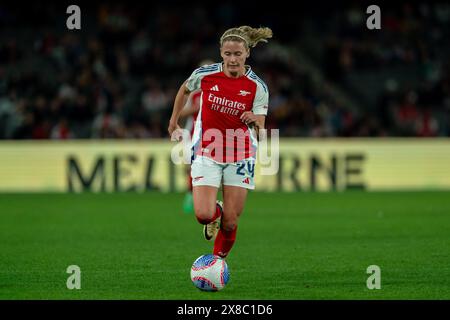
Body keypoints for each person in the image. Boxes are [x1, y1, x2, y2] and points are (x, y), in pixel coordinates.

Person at [168, 26, 272, 259]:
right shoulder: (205, 74)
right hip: (207, 150)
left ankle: (216, 262)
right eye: (227, 54)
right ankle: (217, 211)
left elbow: (261, 127)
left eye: (237, 54)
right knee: (204, 215)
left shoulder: (258, 87)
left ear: (247, 53)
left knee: (231, 221)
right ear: (221, 53)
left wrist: (255, 119)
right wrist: (173, 121)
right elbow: (184, 90)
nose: (232, 59)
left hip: (241, 153)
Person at [178, 60, 214, 214]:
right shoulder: (193, 94)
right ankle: (190, 195)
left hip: (214, 137)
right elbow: (181, 113)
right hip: (193, 135)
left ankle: (206, 199)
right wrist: (195, 107)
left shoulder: (217, 91)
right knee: (191, 168)